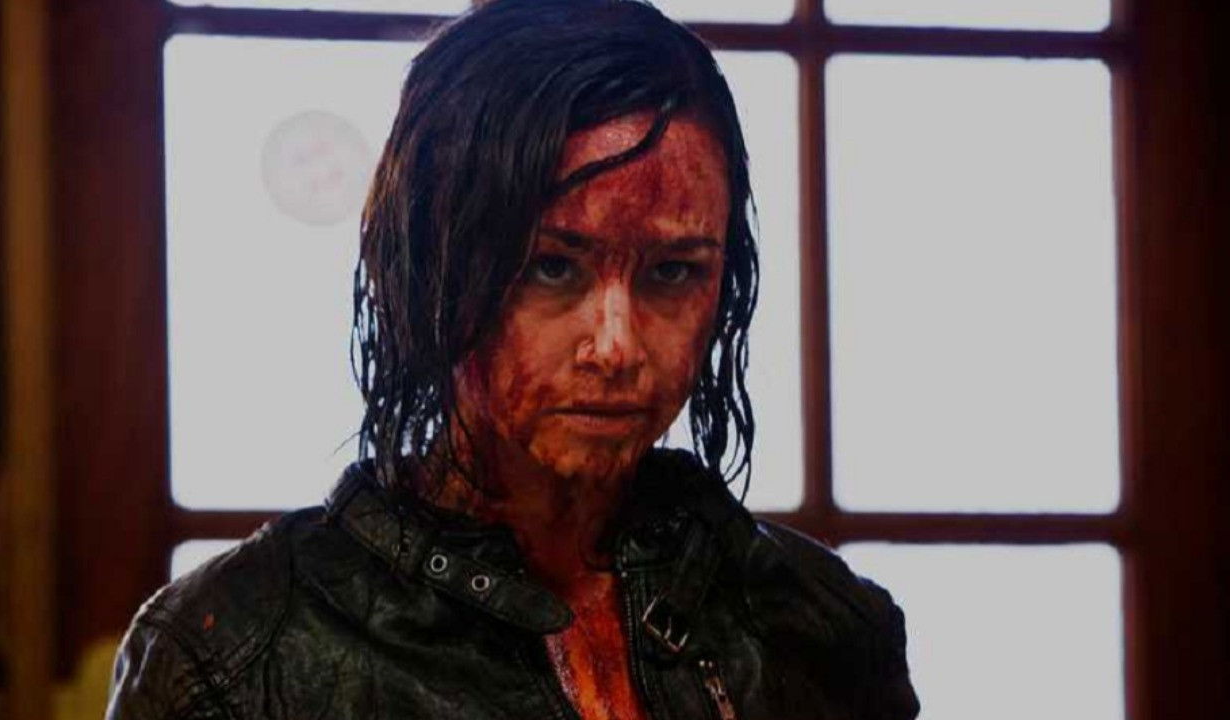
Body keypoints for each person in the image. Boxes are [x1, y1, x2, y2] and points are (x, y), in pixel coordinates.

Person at [106, 1, 919, 718]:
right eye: (551, 267)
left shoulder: (819, 627)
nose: (617, 346)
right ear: (429, 269)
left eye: (673, 272)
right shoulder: (239, 658)